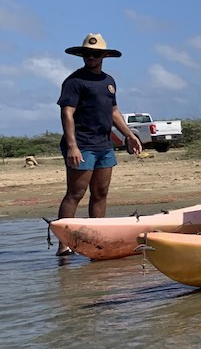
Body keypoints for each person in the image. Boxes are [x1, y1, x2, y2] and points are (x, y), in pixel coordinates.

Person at [55, 33, 143, 255]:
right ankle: (63, 244)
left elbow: (113, 112)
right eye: (87, 54)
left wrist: (129, 135)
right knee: (76, 193)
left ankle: (96, 238)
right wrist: (72, 146)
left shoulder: (109, 81)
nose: (90, 57)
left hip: (104, 145)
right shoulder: (74, 81)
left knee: (101, 192)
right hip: (82, 144)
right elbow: (67, 113)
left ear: (104, 55)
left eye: (95, 54)